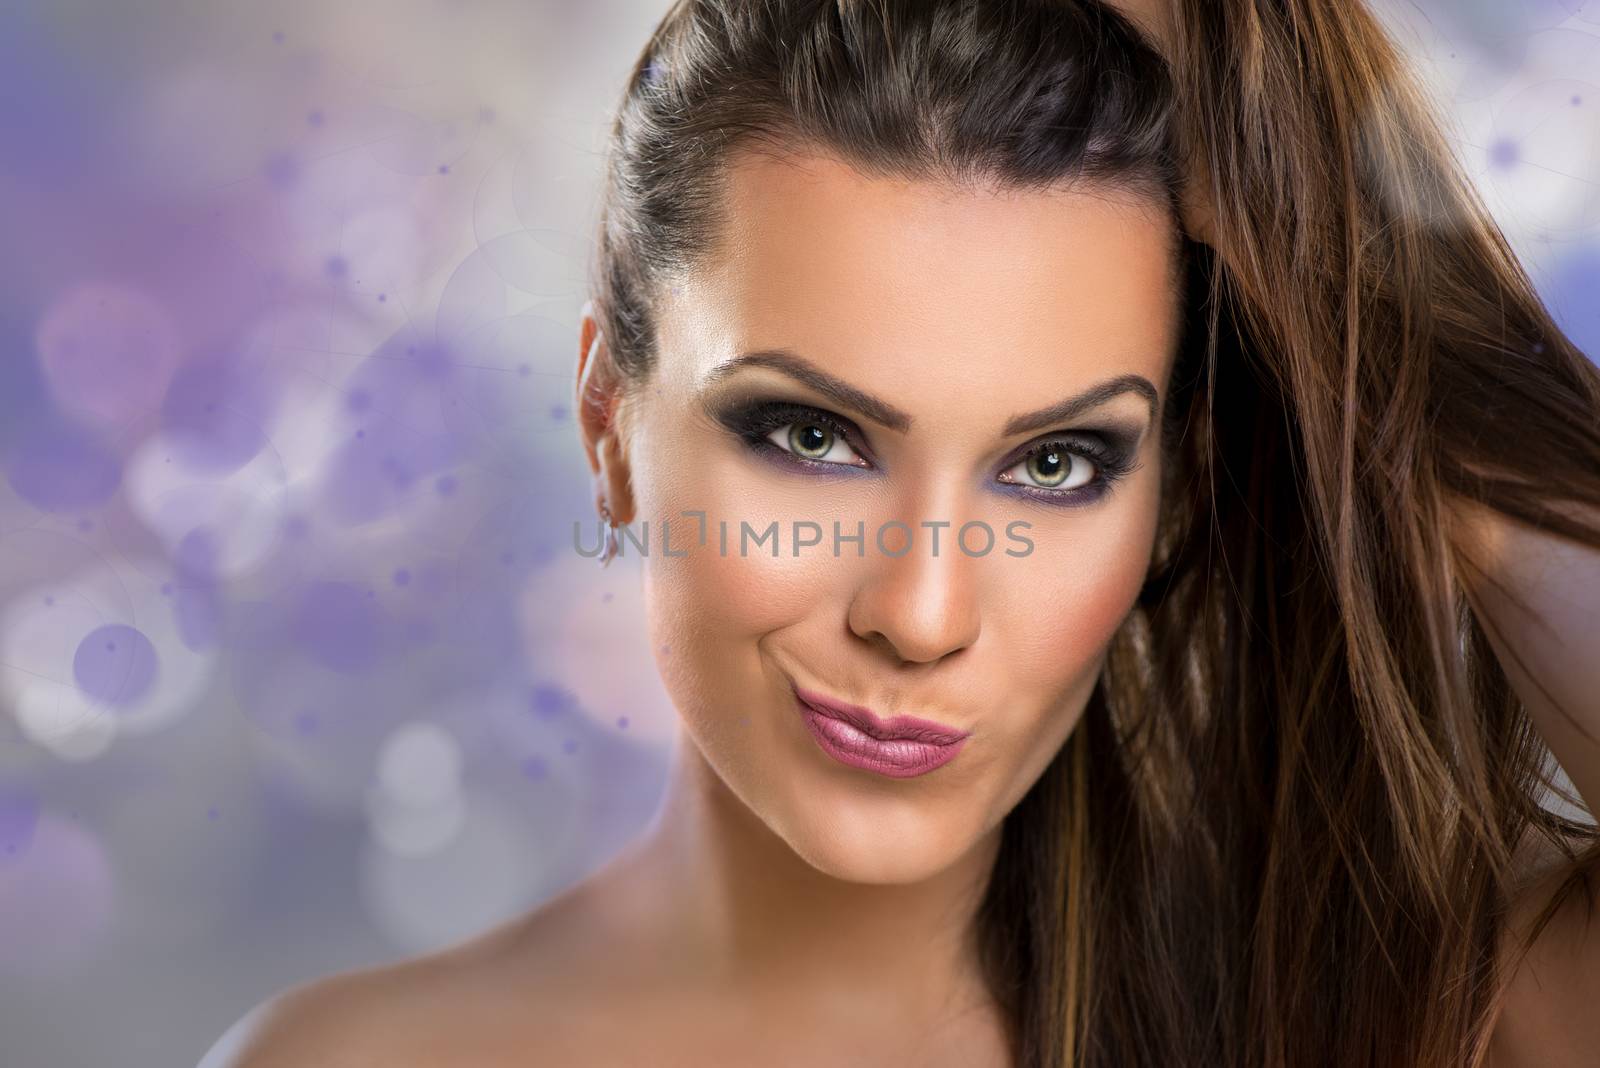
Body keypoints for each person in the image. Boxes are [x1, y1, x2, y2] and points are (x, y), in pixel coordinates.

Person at [202, 1, 1600, 1065]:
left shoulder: (1407, 1003)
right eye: (812, 439)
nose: (922, 614)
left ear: (1167, 485)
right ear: (607, 419)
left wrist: (1359, 271)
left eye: (1056, 463)